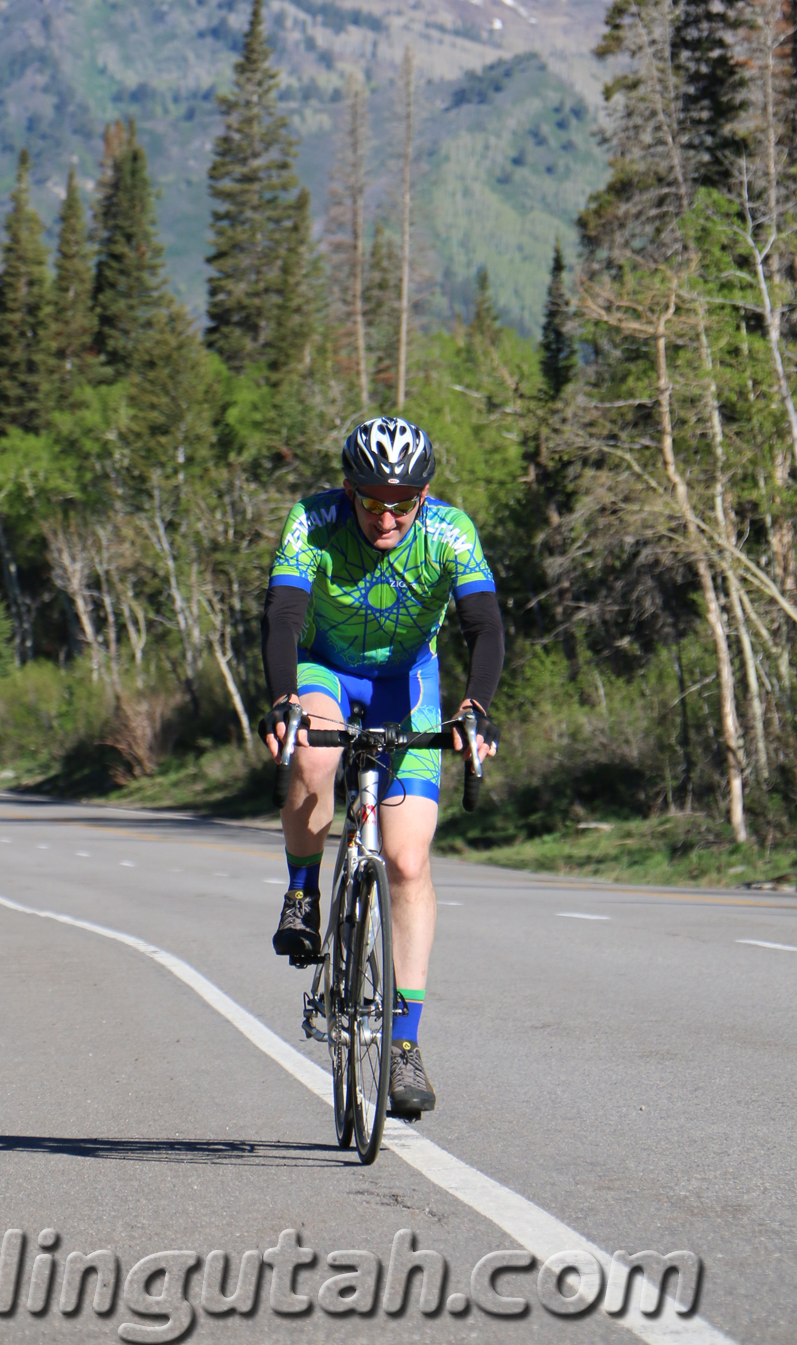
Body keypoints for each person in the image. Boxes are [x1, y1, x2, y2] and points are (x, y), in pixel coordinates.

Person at [260, 416, 503, 1119]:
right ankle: (303, 890)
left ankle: (402, 1047)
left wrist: (476, 709)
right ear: (349, 489)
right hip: (327, 669)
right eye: (373, 501)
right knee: (312, 752)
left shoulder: (449, 532)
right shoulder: (313, 521)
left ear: (424, 495)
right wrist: (283, 700)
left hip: (408, 681)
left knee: (406, 862)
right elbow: (282, 614)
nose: (388, 515)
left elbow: (484, 626)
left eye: (403, 501)